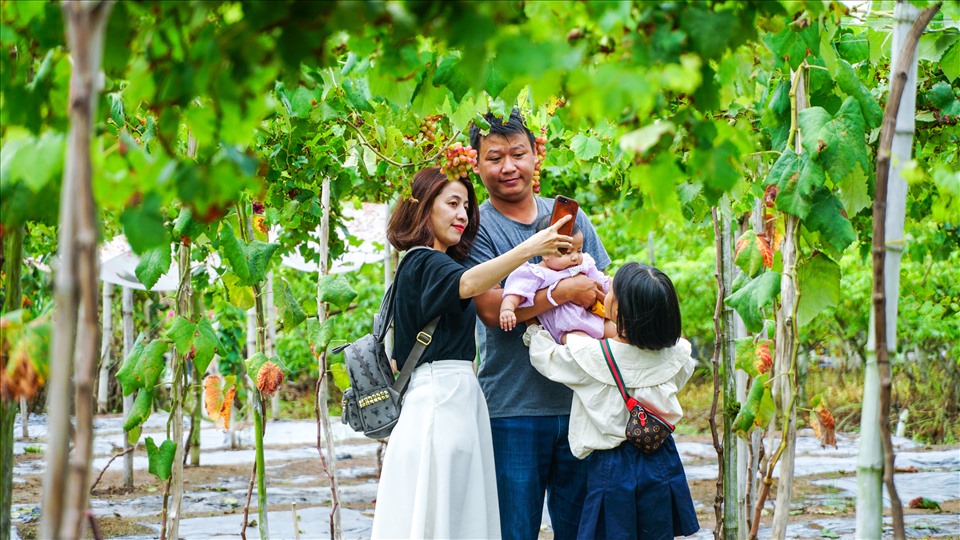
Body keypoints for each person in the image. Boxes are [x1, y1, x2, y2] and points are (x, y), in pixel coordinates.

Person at [370, 166, 574, 539]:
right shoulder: (422, 260)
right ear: (422, 207)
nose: (463, 214)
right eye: (451, 203)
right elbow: (468, 283)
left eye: (466, 205)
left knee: (444, 514)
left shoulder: (433, 264)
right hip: (441, 399)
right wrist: (532, 247)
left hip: (449, 398)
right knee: (446, 514)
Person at [466, 109, 610, 540]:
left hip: (582, 403)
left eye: (517, 154)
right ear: (476, 165)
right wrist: (561, 294)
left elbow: (602, 289)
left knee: (583, 529)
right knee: (514, 530)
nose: (508, 167)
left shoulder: (568, 217)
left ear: (535, 156)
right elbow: (491, 310)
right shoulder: (476, 229)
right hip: (511, 408)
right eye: (494, 158)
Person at [526, 262, 700, 539]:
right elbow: (679, 369)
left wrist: (533, 324)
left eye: (612, 291)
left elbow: (546, 357)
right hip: (661, 456)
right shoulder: (677, 356)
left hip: (611, 466)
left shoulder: (595, 357)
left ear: (617, 310)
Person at [499, 215, 617, 343]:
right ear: (545, 253)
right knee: (584, 347)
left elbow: (602, 282)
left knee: (618, 336)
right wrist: (507, 309)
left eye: (579, 250)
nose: (575, 257)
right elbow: (516, 292)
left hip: (595, 318)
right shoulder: (537, 274)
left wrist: (619, 285)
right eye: (567, 252)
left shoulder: (583, 265)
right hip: (569, 328)